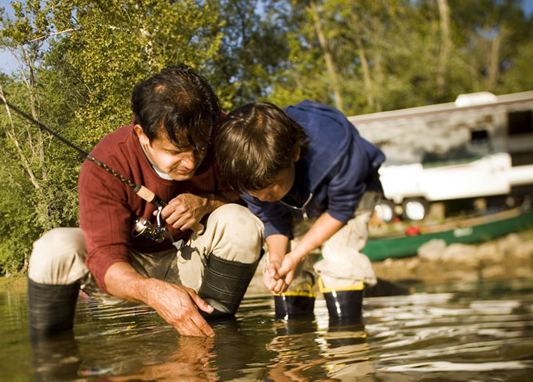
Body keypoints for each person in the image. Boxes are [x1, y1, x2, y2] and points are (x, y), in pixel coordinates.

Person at [27, 65, 264, 339]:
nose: (190, 162)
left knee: (241, 223)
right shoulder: (105, 162)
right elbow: (105, 258)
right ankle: (51, 359)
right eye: (176, 151)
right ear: (142, 135)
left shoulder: (222, 131)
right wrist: (151, 291)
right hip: (129, 269)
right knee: (53, 248)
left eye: (200, 148)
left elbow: (257, 194)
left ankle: (214, 341)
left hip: (195, 258)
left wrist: (207, 203)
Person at [214, 101, 386, 322]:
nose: (264, 196)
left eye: (271, 185)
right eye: (255, 192)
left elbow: (341, 210)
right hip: (297, 203)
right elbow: (272, 218)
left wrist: (295, 256)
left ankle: (348, 343)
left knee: (339, 257)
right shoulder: (242, 170)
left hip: (351, 196)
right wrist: (278, 259)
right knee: (289, 271)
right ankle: (294, 346)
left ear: (295, 153)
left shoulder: (333, 146)